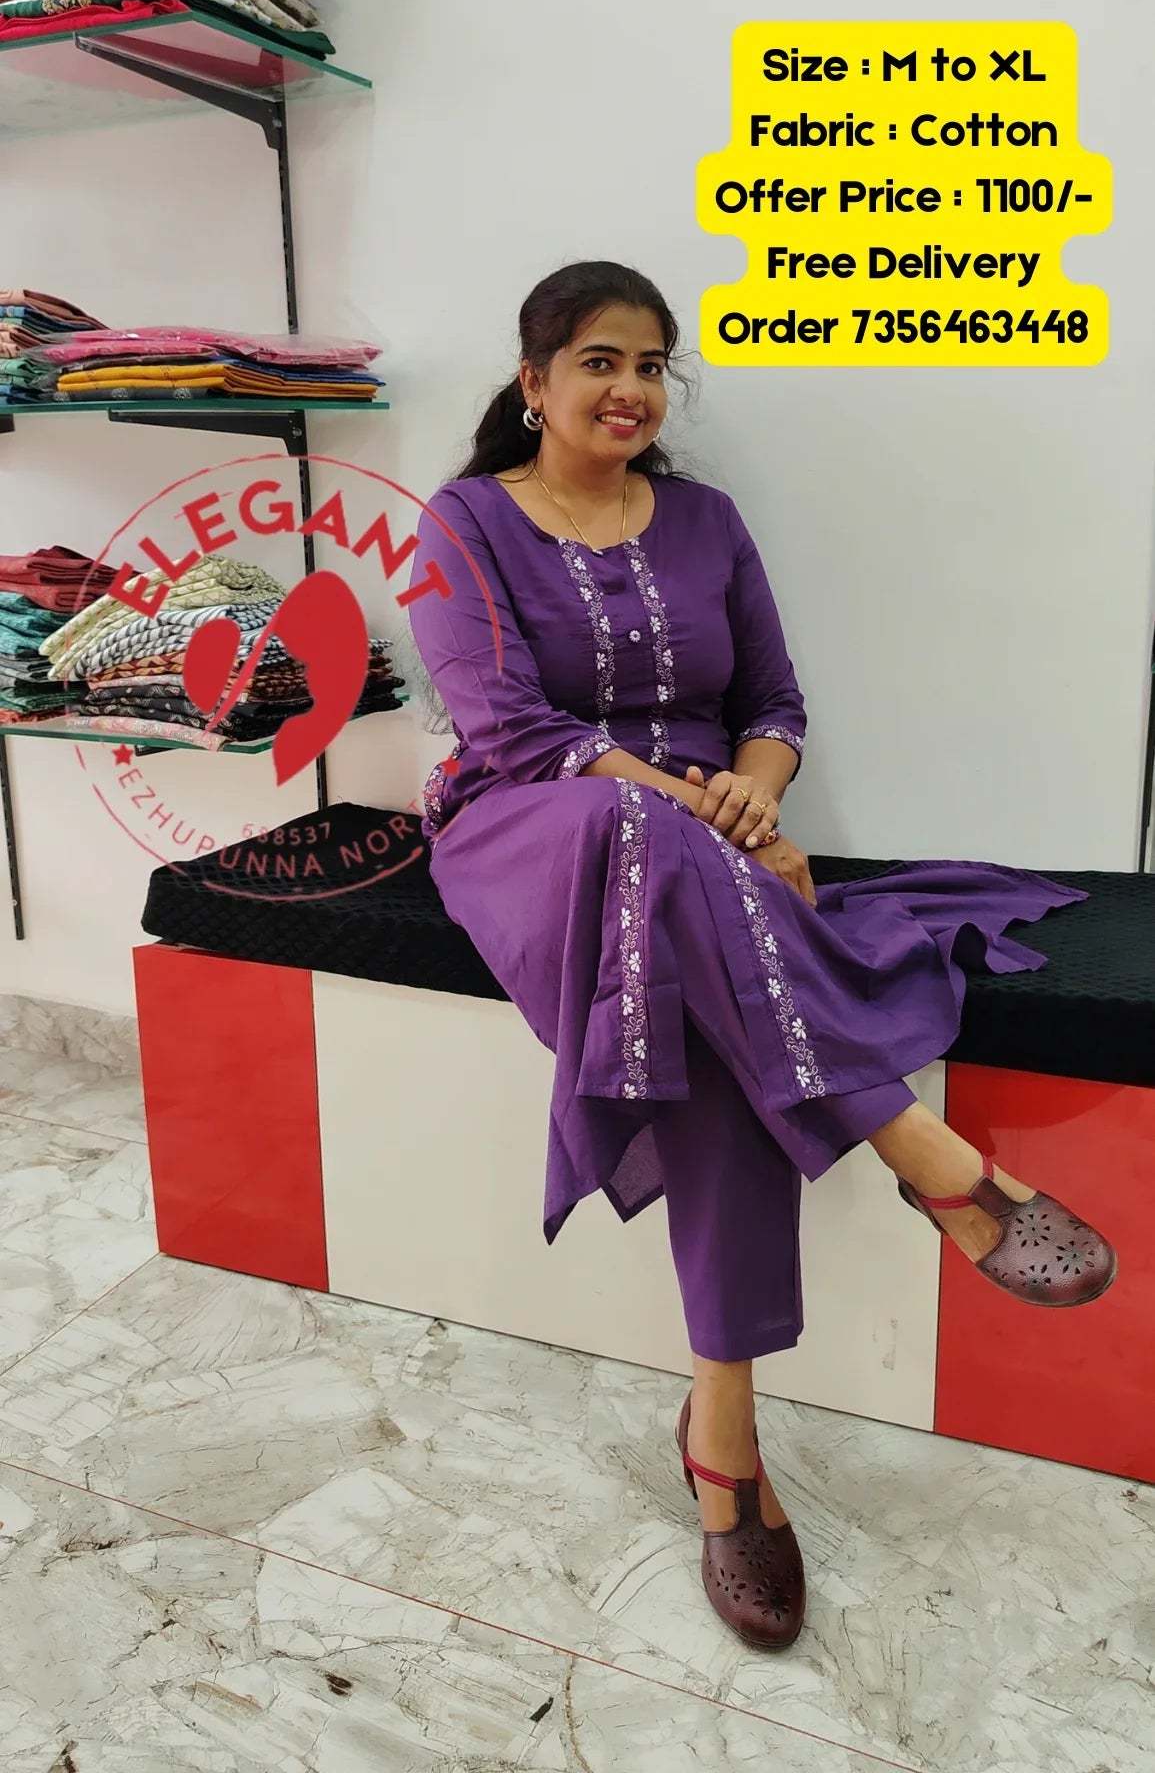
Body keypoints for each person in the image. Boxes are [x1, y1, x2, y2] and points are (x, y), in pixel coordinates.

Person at [405, 259, 1117, 1653]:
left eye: (654, 365)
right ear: (534, 380)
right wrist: (708, 819)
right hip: (531, 833)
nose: (632, 388)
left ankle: (722, 1439)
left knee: (704, 1004)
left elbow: (775, 703)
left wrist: (758, 796)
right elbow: (507, 731)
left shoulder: (710, 522)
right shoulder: (464, 522)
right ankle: (926, 1158)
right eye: (601, 361)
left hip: (701, 854)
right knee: (643, 838)